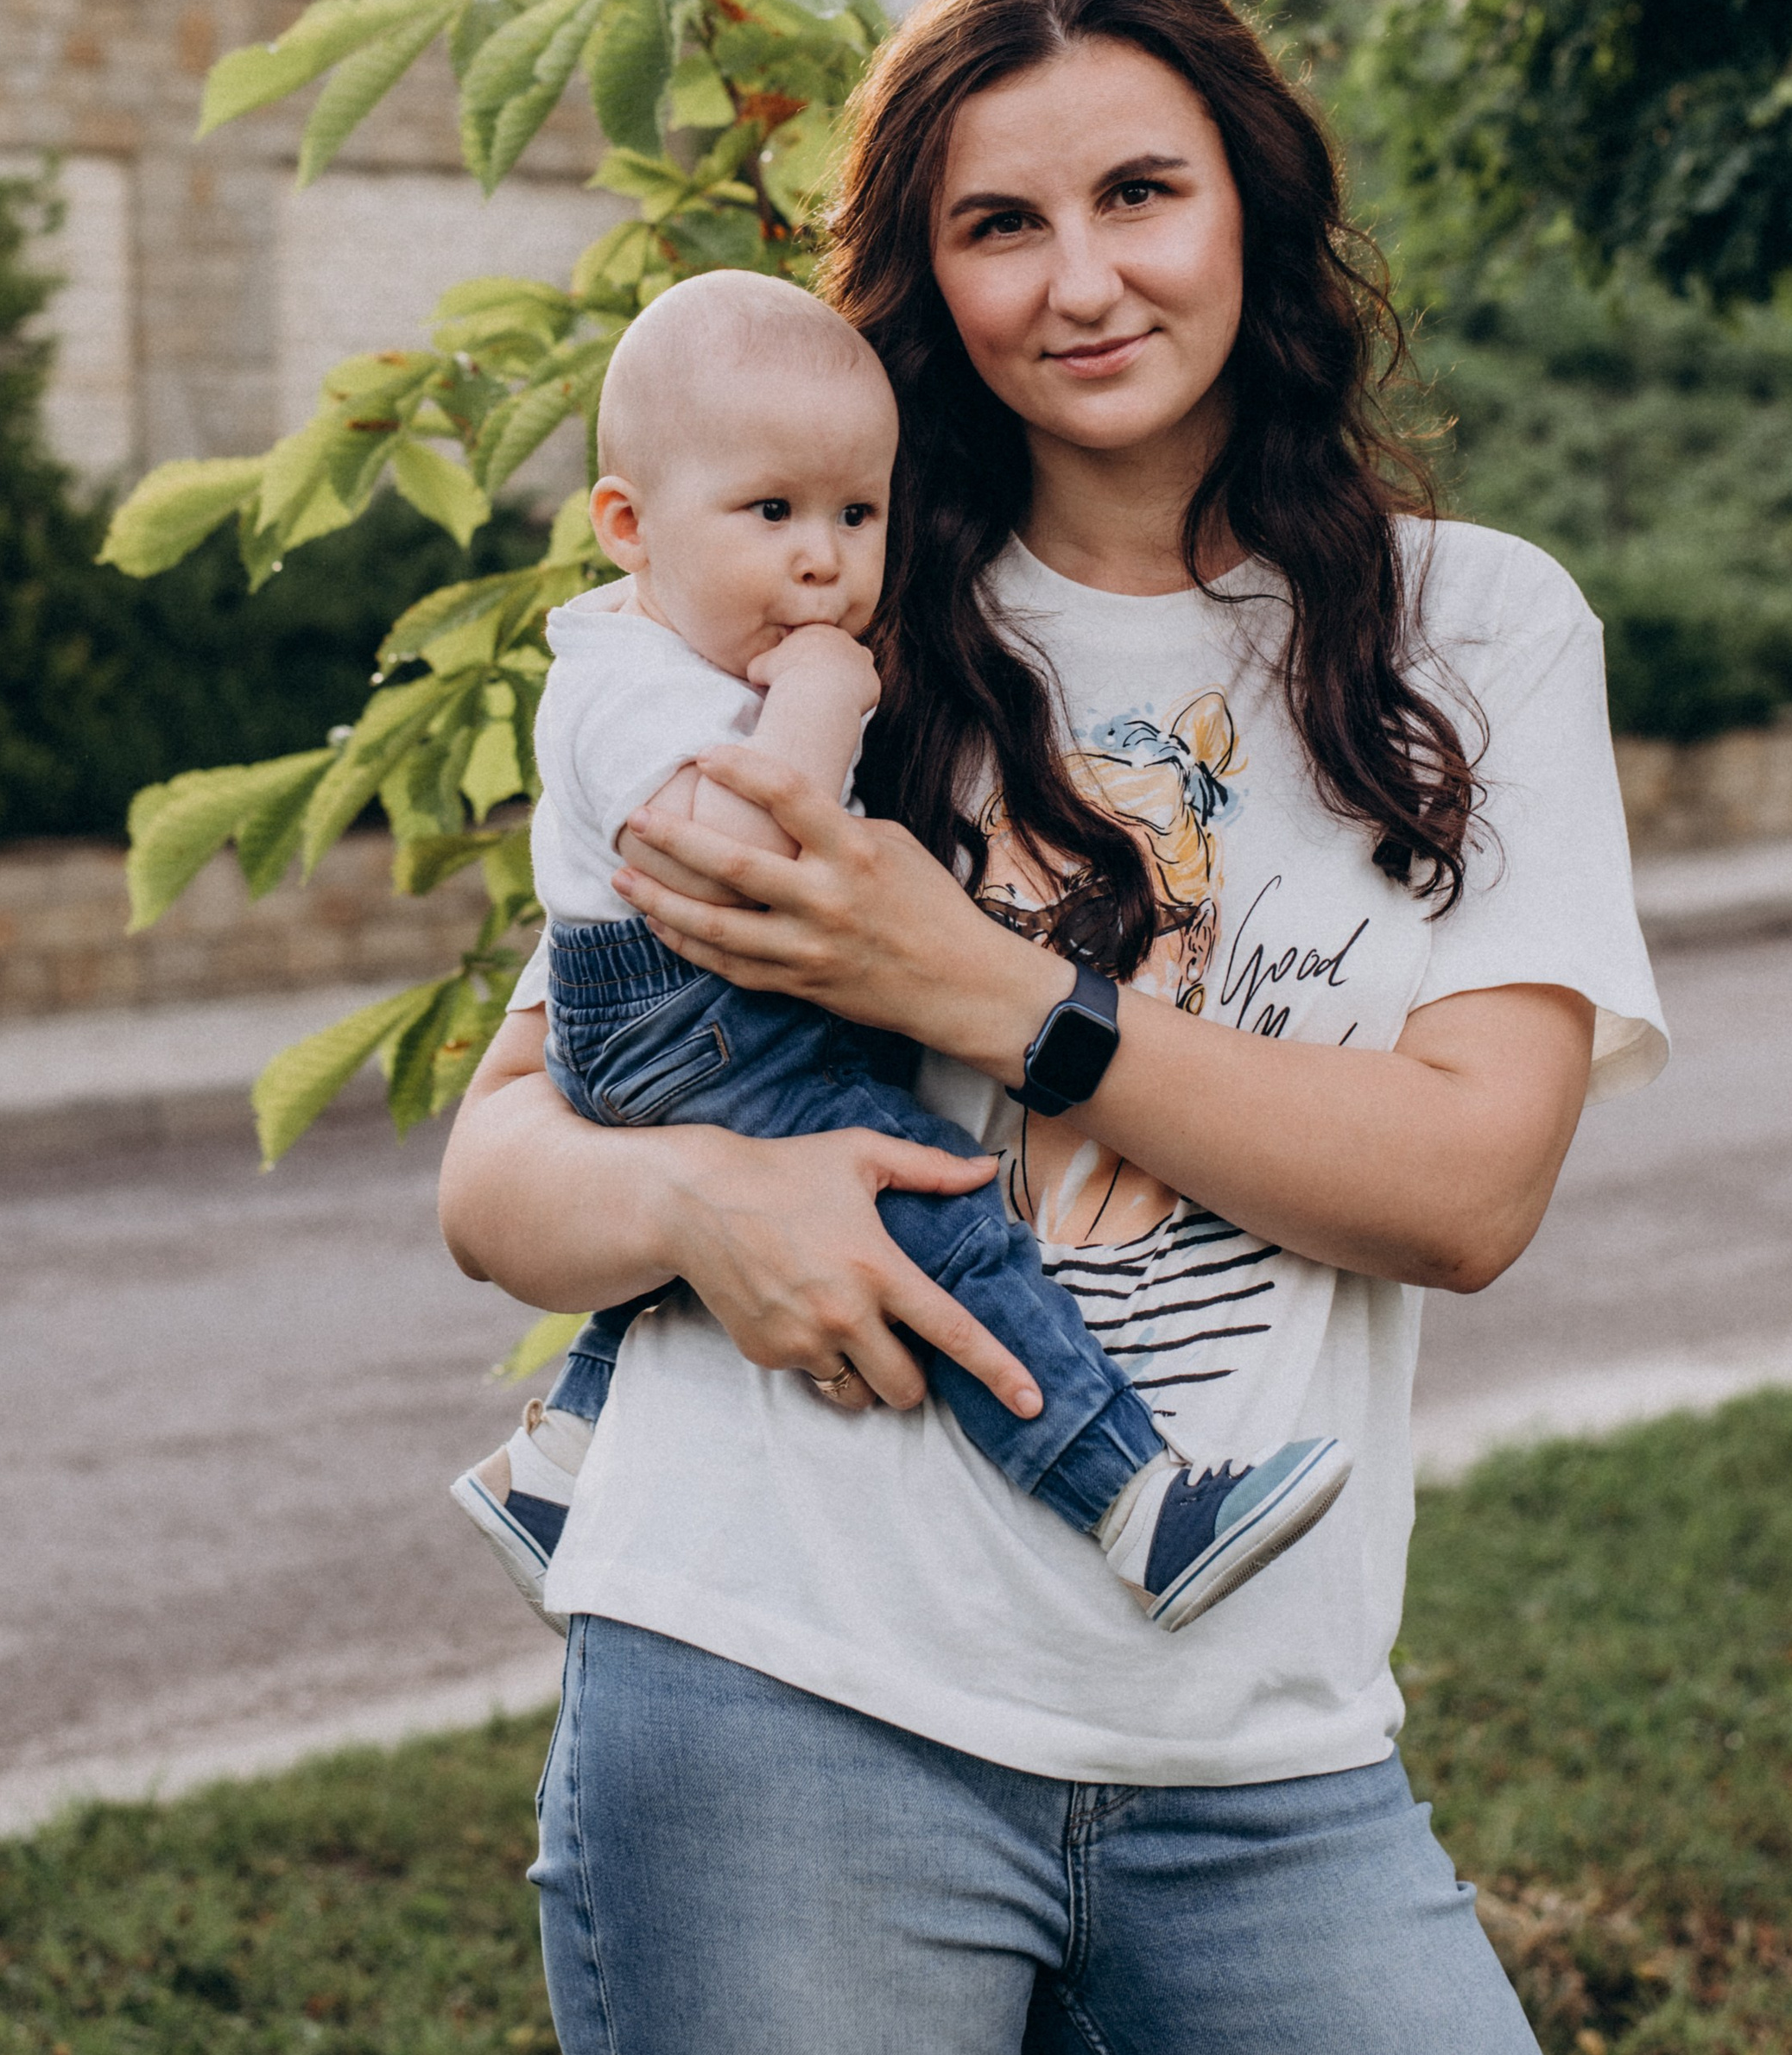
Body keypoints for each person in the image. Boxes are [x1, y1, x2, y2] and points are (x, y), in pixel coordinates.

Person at [437, 0, 1668, 2055]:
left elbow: (1469, 1186)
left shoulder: (1474, 632)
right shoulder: (822, 607)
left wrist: (995, 990)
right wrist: (705, 1210)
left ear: (1254, 213)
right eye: (1001, 223)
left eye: (1140, 193)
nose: (1082, 277)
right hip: (777, 1688)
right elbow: (505, 1157)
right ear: (927, 273)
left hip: (1258, 1746)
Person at [448, 269, 1349, 1638]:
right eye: (772, 514)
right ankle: (1135, 1503)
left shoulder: (692, 657)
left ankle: (558, 1467)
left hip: (693, 1015)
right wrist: (818, 695)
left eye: (855, 515)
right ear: (628, 526)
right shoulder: (627, 681)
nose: (823, 560)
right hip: (689, 1011)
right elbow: (744, 857)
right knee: (941, 1217)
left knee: (737, 1237)